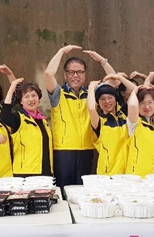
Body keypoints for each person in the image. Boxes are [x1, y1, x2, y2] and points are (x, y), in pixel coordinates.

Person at [44, 45, 115, 187]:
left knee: (84, 190)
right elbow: (48, 74)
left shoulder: (91, 92)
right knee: (63, 189)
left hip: (87, 149)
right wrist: (61, 51)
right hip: (63, 151)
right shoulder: (58, 93)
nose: (75, 75)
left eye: (80, 72)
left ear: (85, 75)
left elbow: (114, 81)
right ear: (65, 75)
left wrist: (102, 60)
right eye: (71, 72)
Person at [0, 78, 53, 178]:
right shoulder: (18, 118)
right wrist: (12, 88)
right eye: (26, 96)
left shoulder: (43, 121)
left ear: (39, 99)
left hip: (45, 172)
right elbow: (4, 115)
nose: (31, 99)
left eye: (34, 95)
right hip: (25, 173)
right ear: (21, 101)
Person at [87, 73, 137, 175]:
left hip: (128, 172)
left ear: (115, 99)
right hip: (107, 174)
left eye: (110, 97)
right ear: (98, 102)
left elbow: (137, 92)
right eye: (102, 99)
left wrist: (120, 78)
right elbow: (91, 109)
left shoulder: (124, 115)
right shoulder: (100, 121)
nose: (107, 101)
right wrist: (91, 88)